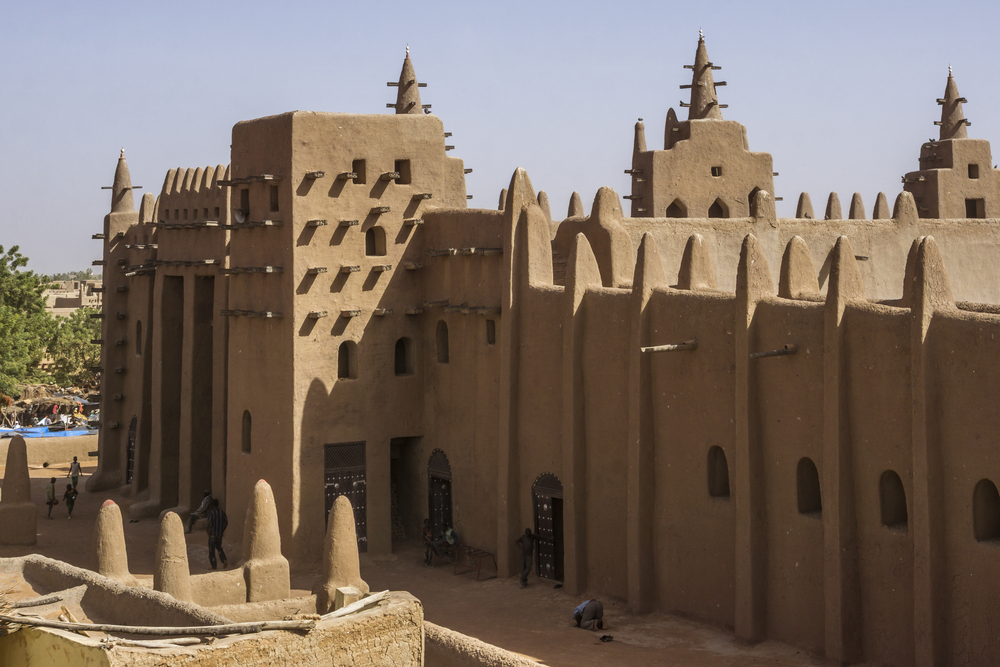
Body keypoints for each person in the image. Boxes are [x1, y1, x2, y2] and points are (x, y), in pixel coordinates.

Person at [206, 498, 228, 570]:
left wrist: (207, 530)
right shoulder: (222, 512)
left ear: (212, 505)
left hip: (213, 534)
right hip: (219, 534)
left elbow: (209, 522)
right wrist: (222, 529)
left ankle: (214, 566)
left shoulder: (212, 513)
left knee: (211, 551)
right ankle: (224, 559)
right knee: (219, 548)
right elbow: (226, 522)